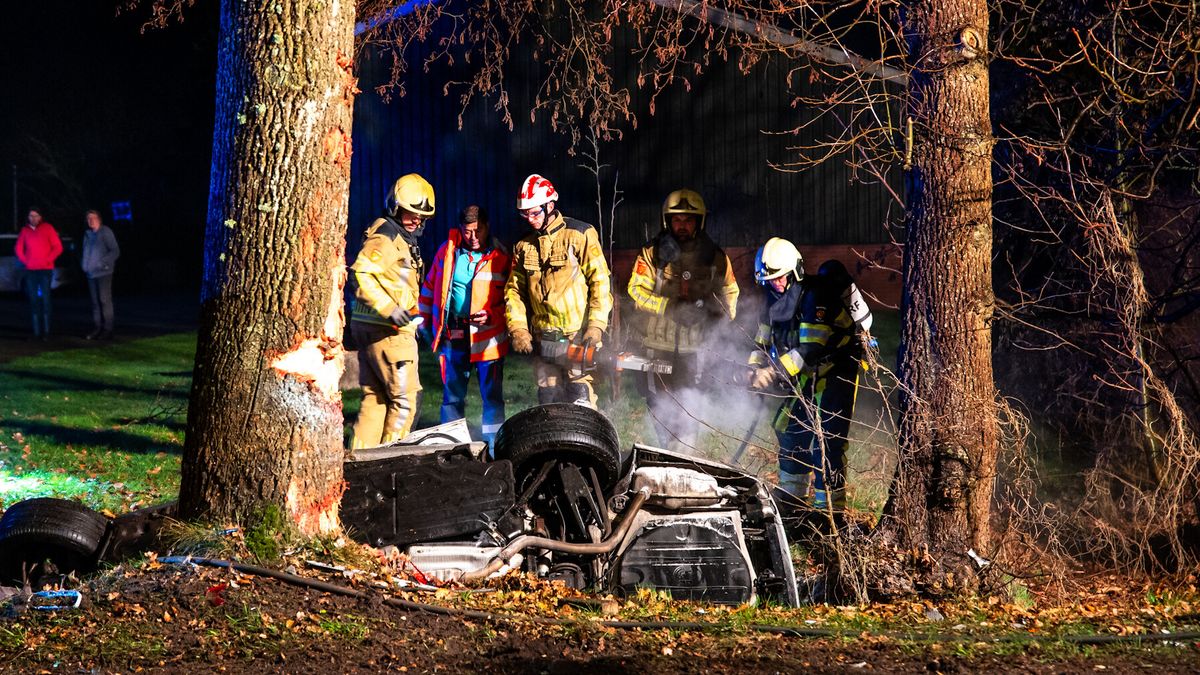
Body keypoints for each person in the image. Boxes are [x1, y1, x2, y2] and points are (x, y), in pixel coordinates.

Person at [748, 237, 873, 523]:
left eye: (780, 278)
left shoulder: (814, 297)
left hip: (836, 371)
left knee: (827, 441)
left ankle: (829, 517)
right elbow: (761, 342)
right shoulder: (771, 301)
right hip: (804, 376)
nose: (776, 284)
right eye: (770, 280)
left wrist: (773, 372)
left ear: (795, 272)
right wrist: (752, 368)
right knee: (789, 431)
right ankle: (792, 505)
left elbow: (811, 348)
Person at [627, 189, 739, 449]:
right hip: (657, 346)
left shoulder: (715, 258)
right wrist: (668, 307)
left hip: (695, 348)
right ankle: (664, 448)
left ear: (699, 221)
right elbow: (635, 291)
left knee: (690, 404)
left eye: (688, 220)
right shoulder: (652, 254)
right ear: (667, 221)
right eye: (677, 220)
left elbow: (730, 293)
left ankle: (685, 454)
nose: (682, 226)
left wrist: (715, 319)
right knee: (658, 402)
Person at [504, 174, 612, 406]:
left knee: (580, 399)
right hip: (543, 340)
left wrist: (595, 327)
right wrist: (519, 330)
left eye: (535, 212)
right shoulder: (523, 246)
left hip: (578, 338)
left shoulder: (580, 235)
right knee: (548, 403)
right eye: (525, 214)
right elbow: (514, 291)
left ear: (550, 205)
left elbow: (600, 284)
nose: (530, 219)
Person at [349, 173, 435, 449]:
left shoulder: (394, 235)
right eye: (411, 213)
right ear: (395, 206)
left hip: (373, 330)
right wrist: (390, 309)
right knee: (406, 400)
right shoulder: (387, 237)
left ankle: (358, 463)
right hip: (389, 331)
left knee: (375, 399)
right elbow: (360, 274)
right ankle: (392, 464)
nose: (416, 220)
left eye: (422, 216)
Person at [418, 205, 510, 451]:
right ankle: (453, 448)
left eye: (477, 231)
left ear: (487, 227)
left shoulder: (501, 257)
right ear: (460, 229)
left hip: (487, 339)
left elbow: (511, 301)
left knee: (491, 398)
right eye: (468, 231)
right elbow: (429, 288)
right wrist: (424, 322)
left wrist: (491, 314)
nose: (473, 237)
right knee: (453, 398)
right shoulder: (447, 252)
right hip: (454, 336)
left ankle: (493, 447)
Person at [15, 207, 63, 341]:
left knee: (46, 300)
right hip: (31, 271)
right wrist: (26, 261)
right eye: (31, 216)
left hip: (45, 270)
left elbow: (58, 247)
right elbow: (18, 248)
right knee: (34, 300)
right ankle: (36, 333)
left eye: (36, 216)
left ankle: (47, 332)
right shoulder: (25, 231)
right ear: (28, 217)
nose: (34, 218)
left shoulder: (47, 228)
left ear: (40, 217)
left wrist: (48, 259)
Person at [80, 209, 120, 340]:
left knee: (104, 300)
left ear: (99, 219)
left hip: (104, 272)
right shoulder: (87, 234)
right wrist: (84, 265)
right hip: (90, 274)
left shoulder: (105, 232)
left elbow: (115, 251)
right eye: (88, 218)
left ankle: (108, 329)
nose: (90, 220)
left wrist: (102, 263)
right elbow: (85, 252)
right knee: (95, 302)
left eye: (93, 217)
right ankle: (97, 328)